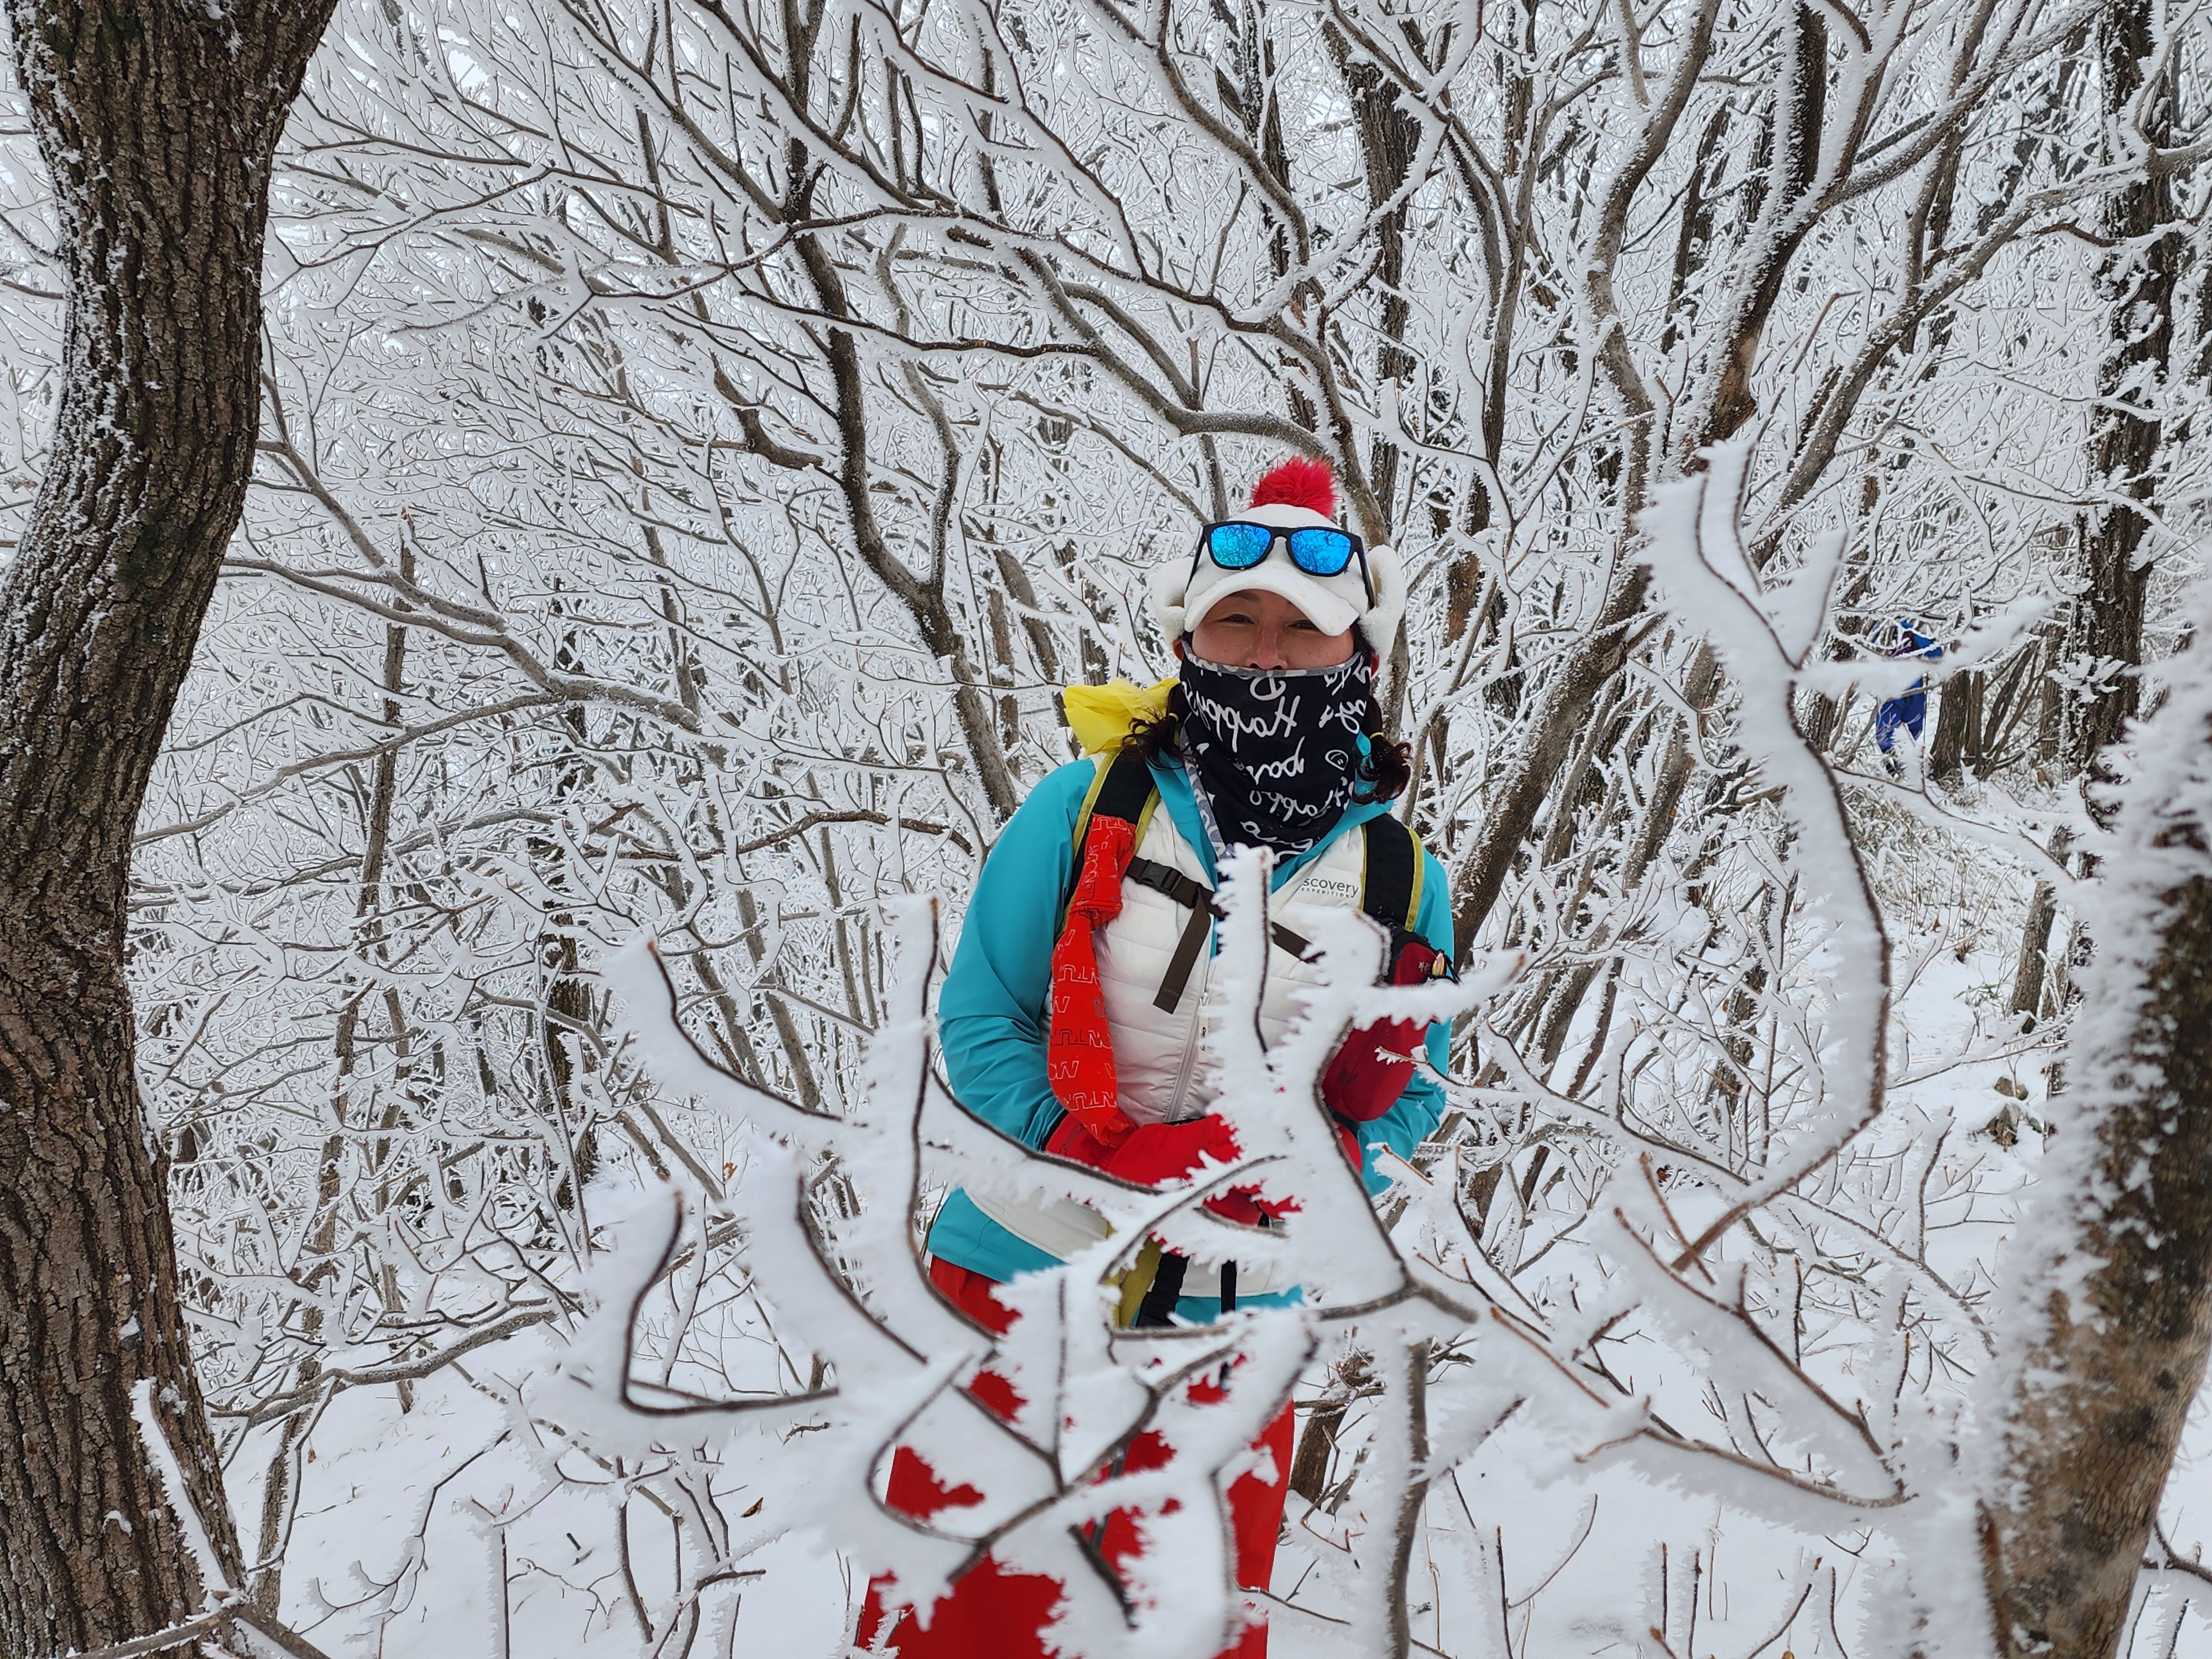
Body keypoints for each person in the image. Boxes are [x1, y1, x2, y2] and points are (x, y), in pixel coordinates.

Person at [856, 457, 1457, 1658]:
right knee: (956, 1629)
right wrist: (1090, 1154)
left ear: (1357, 654)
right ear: (1189, 636)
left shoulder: (1400, 876)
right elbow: (979, 1023)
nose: (1266, 655)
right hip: (1018, 1282)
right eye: (1238, 620)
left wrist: (1318, 1172)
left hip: (1234, 1332)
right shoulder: (1085, 806)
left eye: (1303, 628)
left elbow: (1410, 1094)